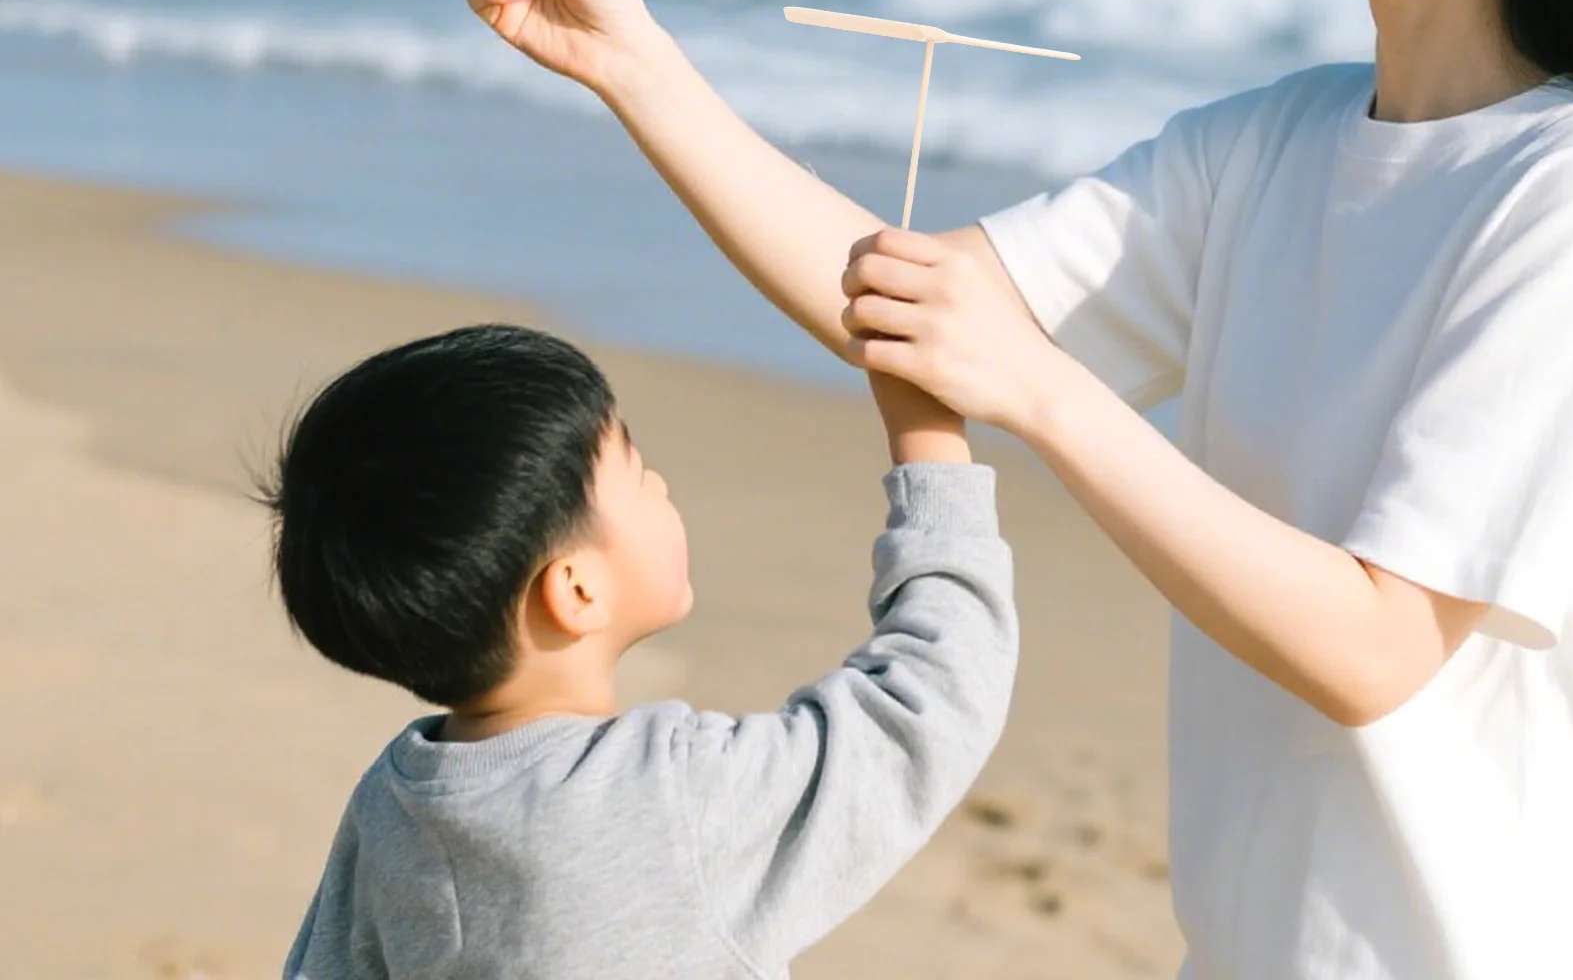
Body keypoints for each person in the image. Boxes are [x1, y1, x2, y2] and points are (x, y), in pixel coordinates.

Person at [462, 0, 1573, 979]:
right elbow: (897, 303)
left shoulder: (1568, 194)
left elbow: (1378, 647)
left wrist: (1052, 398)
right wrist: (629, 59)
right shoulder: (1267, 145)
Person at [263, 323, 1016, 979]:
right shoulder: (668, 797)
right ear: (576, 591)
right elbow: (927, 706)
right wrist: (931, 445)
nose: (660, 483)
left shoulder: (396, 801)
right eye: (634, 470)